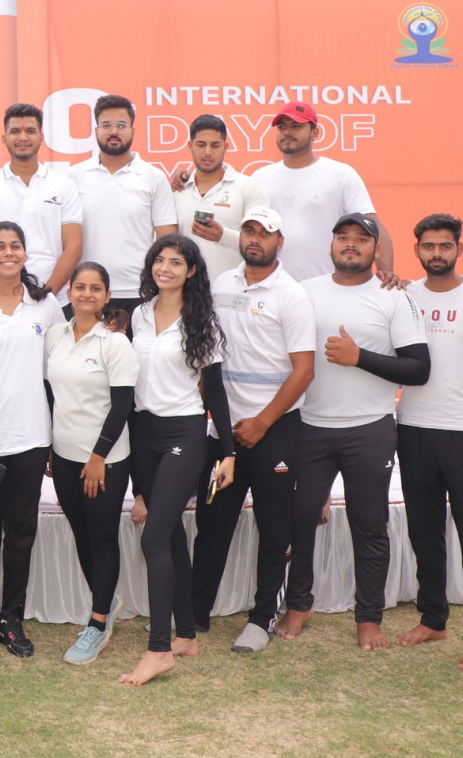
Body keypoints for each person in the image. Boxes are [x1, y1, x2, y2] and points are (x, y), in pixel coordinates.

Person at [275, 213, 428, 652]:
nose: (350, 244)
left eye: (361, 239)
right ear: (330, 246)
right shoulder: (303, 292)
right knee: (300, 518)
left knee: (369, 524)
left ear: (376, 249)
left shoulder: (393, 296)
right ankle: (298, 603)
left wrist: (359, 357)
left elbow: (419, 368)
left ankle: (369, 617)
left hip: (370, 428)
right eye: (342, 237)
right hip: (310, 426)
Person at [192, 207, 314, 655]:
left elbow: (304, 372)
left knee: (275, 527)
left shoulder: (292, 295)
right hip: (224, 429)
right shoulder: (221, 285)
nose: (255, 238)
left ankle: (262, 618)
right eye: (248, 230)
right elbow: (207, 355)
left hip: (274, 428)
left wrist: (263, 422)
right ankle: (194, 613)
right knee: (212, 522)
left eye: (265, 233)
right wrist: (218, 420)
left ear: (280, 242)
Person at [119, 234, 233, 687]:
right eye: (159, 260)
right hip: (143, 433)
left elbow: (215, 392)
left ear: (192, 271)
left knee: (154, 539)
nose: (165, 268)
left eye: (176, 262)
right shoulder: (139, 314)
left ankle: (159, 650)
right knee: (169, 538)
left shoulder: (202, 320)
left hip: (184, 433)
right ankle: (186, 635)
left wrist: (229, 452)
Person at [395, 214, 463, 673]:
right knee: (424, 533)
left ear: (459, 248)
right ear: (417, 250)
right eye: (428, 246)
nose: (437, 253)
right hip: (412, 429)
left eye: (445, 246)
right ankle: (433, 619)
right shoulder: (405, 296)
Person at [0, 221, 63, 657]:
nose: (8, 253)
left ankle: (11, 616)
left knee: (21, 532)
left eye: (15, 246)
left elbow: (60, 371)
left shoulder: (46, 305)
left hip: (33, 437)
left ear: (25, 253)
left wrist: (56, 440)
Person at [45, 261, 138, 665]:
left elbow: (122, 406)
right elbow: (52, 395)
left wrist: (98, 456)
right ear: (68, 292)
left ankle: (98, 624)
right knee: (81, 534)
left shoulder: (115, 343)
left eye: (95, 288)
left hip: (105, 461)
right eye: (79, 287)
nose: (86, 294)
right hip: (64, 456)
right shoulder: (55, 336)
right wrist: (52, 447)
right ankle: (107, 601)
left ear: (107, 295)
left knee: (101, 539)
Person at [251, 102, 396, 284]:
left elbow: (373, 225)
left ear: (315, 133)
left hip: (327, 285)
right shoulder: (260, 177)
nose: (287, 132)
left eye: (296, 126)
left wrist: (386, 273)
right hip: (272, 287)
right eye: (282, 127)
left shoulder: (340, 174)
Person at [68, 95, 177, 321]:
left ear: (133, 130)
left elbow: (167, 240)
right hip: (89, 293)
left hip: (139, 292)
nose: (113, 131)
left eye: (121, 125)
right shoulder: (73, 177)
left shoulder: (153, 177)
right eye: (106, 125)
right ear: (96, 130)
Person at [0, 103, 83, 303]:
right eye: (15, 132)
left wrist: (45, 294)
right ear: (4, 139)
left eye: (30, 131)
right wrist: (5, 294)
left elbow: (74, 248)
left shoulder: (63, 185)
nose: (22, 137)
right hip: (3, 302)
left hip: (55, 300)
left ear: (41, 138)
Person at [173, 114, 271, 282]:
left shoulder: (247, 187)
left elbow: (265, 241)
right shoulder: (177, 189)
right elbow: (166, 244)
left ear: (225, 147)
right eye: (201, 144)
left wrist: (222, 236)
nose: (208, 152)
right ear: (190, 146)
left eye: (215, 145)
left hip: (236, 290)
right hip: (187, 292)